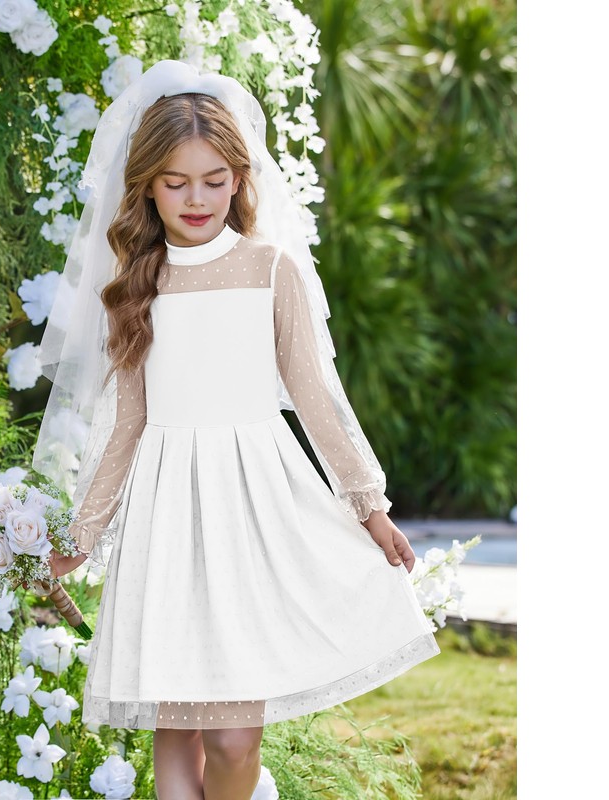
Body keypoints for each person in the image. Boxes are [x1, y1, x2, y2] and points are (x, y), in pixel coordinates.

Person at [32, 60, 439, 800]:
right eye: (176, 182)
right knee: (177, 722)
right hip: (166, 511)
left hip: (254, 506)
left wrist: (368, 505)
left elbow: (317, 399)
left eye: (214, 180)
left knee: (231, 736)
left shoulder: (269, 268)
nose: (196, 198)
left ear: (239, 179)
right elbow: (128, 423)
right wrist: (81, 537)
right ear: (147, 185)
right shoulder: (135, 284)